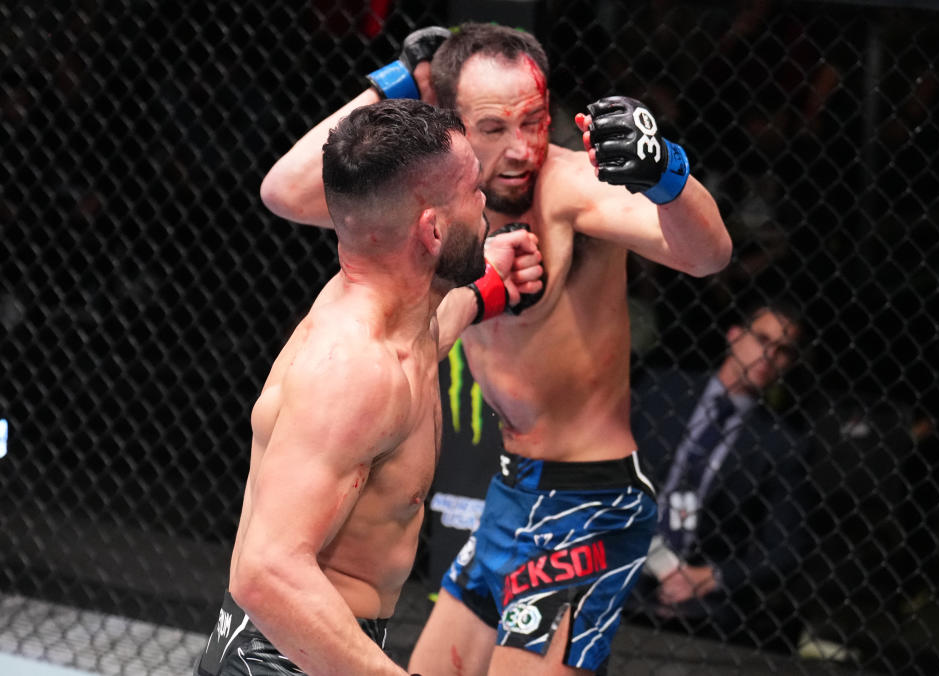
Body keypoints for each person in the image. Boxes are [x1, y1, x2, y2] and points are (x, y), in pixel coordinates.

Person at [259, 22, 730, 675]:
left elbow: (707, 255)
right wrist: (399, 81)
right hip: (512, 488)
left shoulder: (568, 186)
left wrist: (666, 175)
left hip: (588, 498)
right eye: (492, 129)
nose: (520, 149)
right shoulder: (438, 208)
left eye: (534, 121)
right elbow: (285, 191)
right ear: (449, 126)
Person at [194, 98, 542, 676]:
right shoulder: (353, 371)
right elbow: (266, 573)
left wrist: (489, 288)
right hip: (280, 660)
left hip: (317, 647)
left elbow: (427, 336)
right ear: (432, 229)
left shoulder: (398, 310)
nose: (486, 206)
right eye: (473, 192)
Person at [627, 302, 814, 652]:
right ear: (734, 335)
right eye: (762, 339)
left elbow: (786, 547)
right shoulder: (661, 390)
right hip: (620, 550)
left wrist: (710, 577)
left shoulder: (782, 443)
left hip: (696, 590)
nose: (769, 355)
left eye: (783, 350)